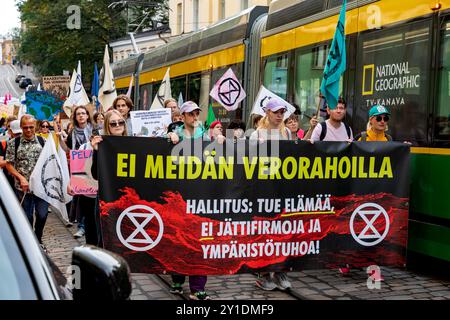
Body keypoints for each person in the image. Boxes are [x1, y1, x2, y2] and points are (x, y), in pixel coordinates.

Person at [167, 101, 212, 300]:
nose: (195, 117)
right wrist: (169, 137)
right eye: (190, 114)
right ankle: (177, 279)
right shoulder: (174, 133)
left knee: (200, 241)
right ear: (182, 117)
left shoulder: (207, 136)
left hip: (201, 195)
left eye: (196, 113)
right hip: (178, 196)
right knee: (178, 238)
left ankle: (198, 287)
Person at [248, 98, 293, 291]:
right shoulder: (256, 133)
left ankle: (281, 270)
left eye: (282, 111)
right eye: (276, 111)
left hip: (282, 188)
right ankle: (264, 273)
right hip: (262, 190)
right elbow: (247, 162)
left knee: (283, 230)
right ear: (267, 112)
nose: (280, 115)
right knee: (264, 231)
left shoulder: (287, 132)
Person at [309, 98, 353, 275]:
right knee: (322, 220)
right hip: (322, 182)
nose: (339, 111)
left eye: (342, 108)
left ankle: (339, 258)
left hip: (340, 183)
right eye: (336, 108)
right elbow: (310, 147)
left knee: (340, 221)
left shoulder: (348, 129)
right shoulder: (321, 128)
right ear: (328, 110)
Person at [5, 115, 49, 247]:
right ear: (21, 127)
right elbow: (9, 164)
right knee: (27, 217)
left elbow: (49, 161)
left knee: (42, 215)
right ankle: (32, 243)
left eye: (31, 127)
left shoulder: (43, 141)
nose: (28, 130)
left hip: (41, 188)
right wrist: (21, 178)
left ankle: (38, 237)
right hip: (23, 188)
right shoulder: (14, 143)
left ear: (35, 126)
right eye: (25, 128)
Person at [58, 105, 97, 240]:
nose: (81, 116)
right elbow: (67, 149)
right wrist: (59, 139)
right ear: (75, 117)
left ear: (87, 116)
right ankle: (81, 226)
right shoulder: (72, 133)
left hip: (94, 167)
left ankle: (90, 226)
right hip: (79, 168)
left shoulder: (95, 130)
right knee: (81, 198)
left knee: (92, 199)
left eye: (83, 113)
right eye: (78, 114)